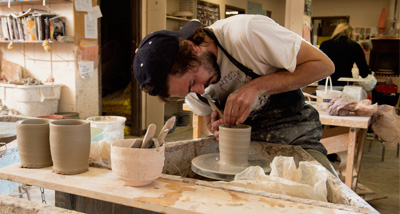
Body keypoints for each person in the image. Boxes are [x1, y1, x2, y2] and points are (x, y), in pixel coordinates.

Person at [133, 15, 337, 175]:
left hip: (296, 140)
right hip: (242, 157)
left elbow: (323, 66)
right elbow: (209, 124)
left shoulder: (246, 34)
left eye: (193, 81)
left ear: (192, 48)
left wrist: (257, 87)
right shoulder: (195, 90)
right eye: (188, 91)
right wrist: (216, 127)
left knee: (324, 201)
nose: (200, 91)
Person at [318, 23, 372, 87]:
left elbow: (319, 66)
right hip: (344, 86)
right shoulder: (355, 46)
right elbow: (364, 73)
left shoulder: (324, 45)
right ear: (351, 33)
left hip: (324, 85)